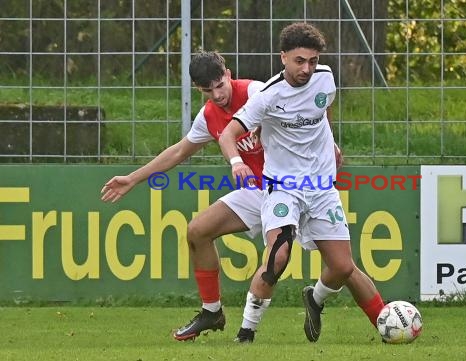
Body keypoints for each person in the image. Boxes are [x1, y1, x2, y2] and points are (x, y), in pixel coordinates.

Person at [101, 50, 383, 344]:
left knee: (342, 266)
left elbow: (309, 110)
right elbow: (179, 151)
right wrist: (133, 178)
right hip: (259, 192)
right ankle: (212, 311)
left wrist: (331, 145)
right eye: (208, 90)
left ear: (228, 73)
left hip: (294, 187)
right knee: (197, 231)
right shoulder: (209, 116)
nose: (217, 93)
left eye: (220, 84)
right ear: (199, 90)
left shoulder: (257, 92)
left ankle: (384, 318)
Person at [219, 22, 382, 343]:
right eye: (299, 61)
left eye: (312, 60)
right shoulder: (267, 96)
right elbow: (228, 135)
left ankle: (315, 299)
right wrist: (237, 162)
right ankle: (246, 333)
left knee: (341, 266)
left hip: (322, 188)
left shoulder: (325, 77)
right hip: (283, 187)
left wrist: (332, 144)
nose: (306, 68)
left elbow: (323, 110)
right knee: (278, 256)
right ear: (283, 57)